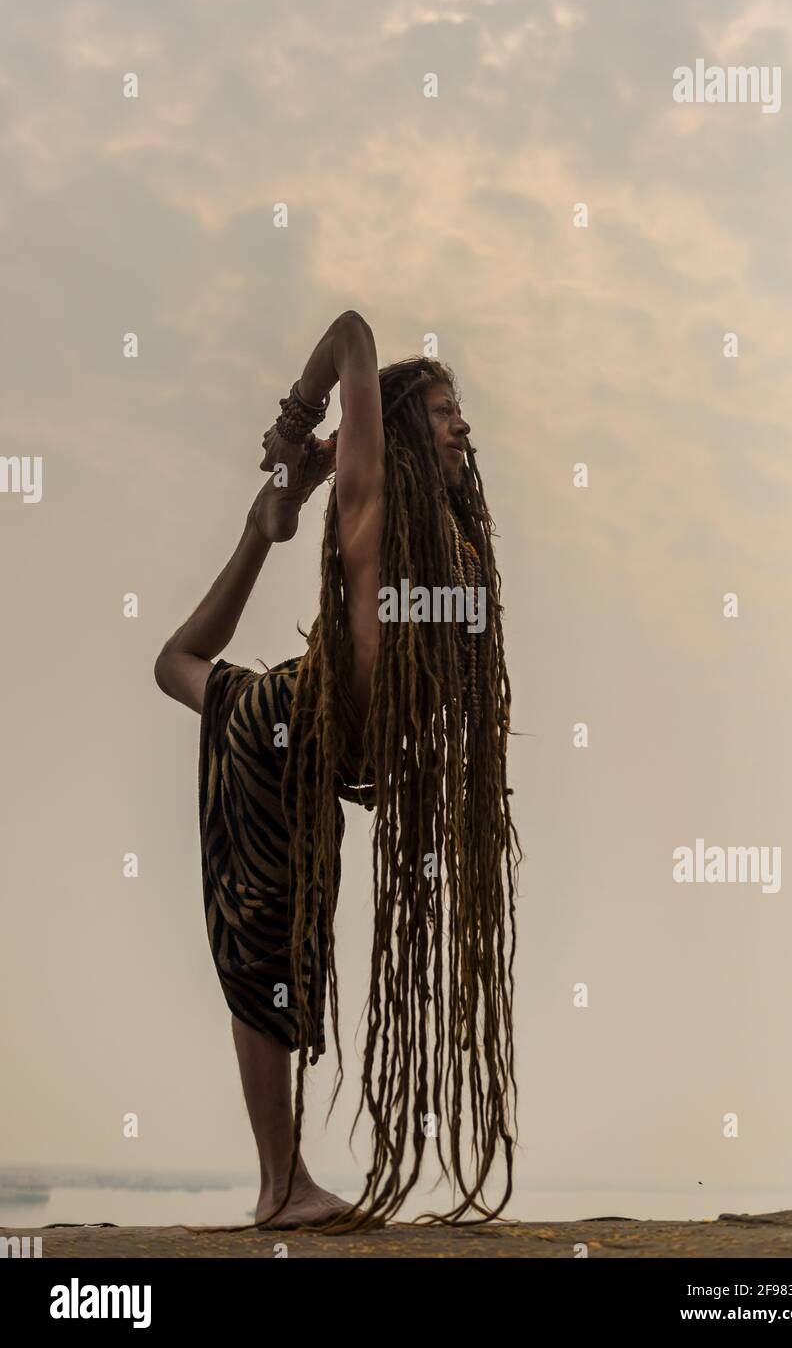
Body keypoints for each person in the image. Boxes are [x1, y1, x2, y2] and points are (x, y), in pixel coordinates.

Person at [155, 310, 521, 1233]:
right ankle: (281, 1188)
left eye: (457, 411)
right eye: (440, 410)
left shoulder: (449, 541)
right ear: (393, 431)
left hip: (309, 746)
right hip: (281, 732)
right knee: (268, 945)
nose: (459, 426)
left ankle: (256, 530)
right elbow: (353, 331)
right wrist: (300, 428)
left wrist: (286, 487)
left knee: (292, 945)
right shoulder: (375, 508)